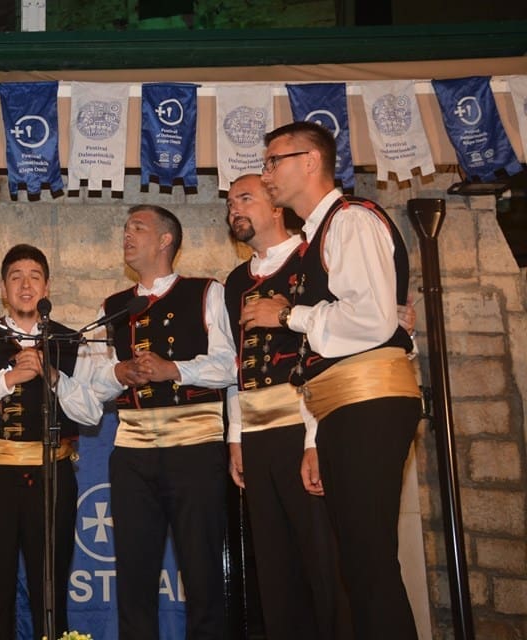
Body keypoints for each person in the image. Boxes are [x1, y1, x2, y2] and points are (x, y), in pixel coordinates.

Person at [243, 121, 422, 640]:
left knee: (368, 562)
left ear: (311, 161)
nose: (266, 174)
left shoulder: (351, 220)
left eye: (274, 161)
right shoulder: (317, 237)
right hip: (342, 405)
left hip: (370, 400)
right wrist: (315, 436)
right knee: (358, 564)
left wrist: (286, 315)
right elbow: (332, 349)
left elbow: (370, 320)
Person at [89, 205, 237, 640]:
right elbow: (93, 380)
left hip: (195, 447)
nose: (127, 235)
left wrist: (174, 370)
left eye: (138, 227)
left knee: (202, 571)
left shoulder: (205, 292)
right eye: (125, 228)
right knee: (134, 576)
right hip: (133, 452)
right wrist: (119, 373)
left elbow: (231, 364)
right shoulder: (113, 307)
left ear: (165, 240)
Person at [0, 244, 102, 639]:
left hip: (53, 475)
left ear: (47, 288)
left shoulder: (70, 341)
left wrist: (53, 376)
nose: (26, 285)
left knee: (49, 590)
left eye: (34, 277)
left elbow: (91, 413)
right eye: (16, 277)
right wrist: (8, 379)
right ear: (3, 289)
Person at [224, 173, 352, 640]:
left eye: (245, 198)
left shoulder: (311, 259)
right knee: (274, 568)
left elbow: (332, 351)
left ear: (277, 205)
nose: (234, 209)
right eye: (229, 203)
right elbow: (236, 364)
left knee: (323, 560)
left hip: (305, 426)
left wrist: (316, 439)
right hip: (257, 436)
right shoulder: (235, 281)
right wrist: (236, 436)